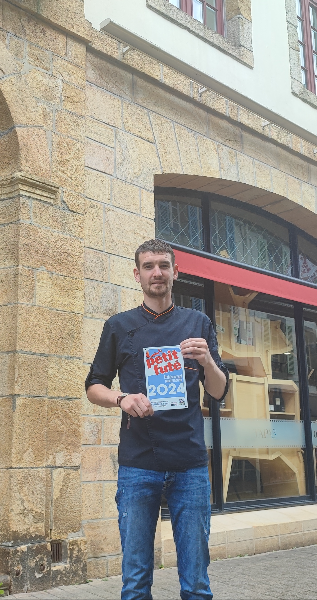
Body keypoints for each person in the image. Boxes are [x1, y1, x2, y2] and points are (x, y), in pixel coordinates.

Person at [85, 239, 229, 600]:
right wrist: (122, 398)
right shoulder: (119, 326)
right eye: (149, 266)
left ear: (175, 272)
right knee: (135, 582)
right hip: (138, 464)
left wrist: (208, 361)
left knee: (196, 582)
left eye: (164, 265)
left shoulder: (198, 322)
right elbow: (93, 385)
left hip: (190, 463)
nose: (157, 273)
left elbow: (219, 391)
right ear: (137, 274)